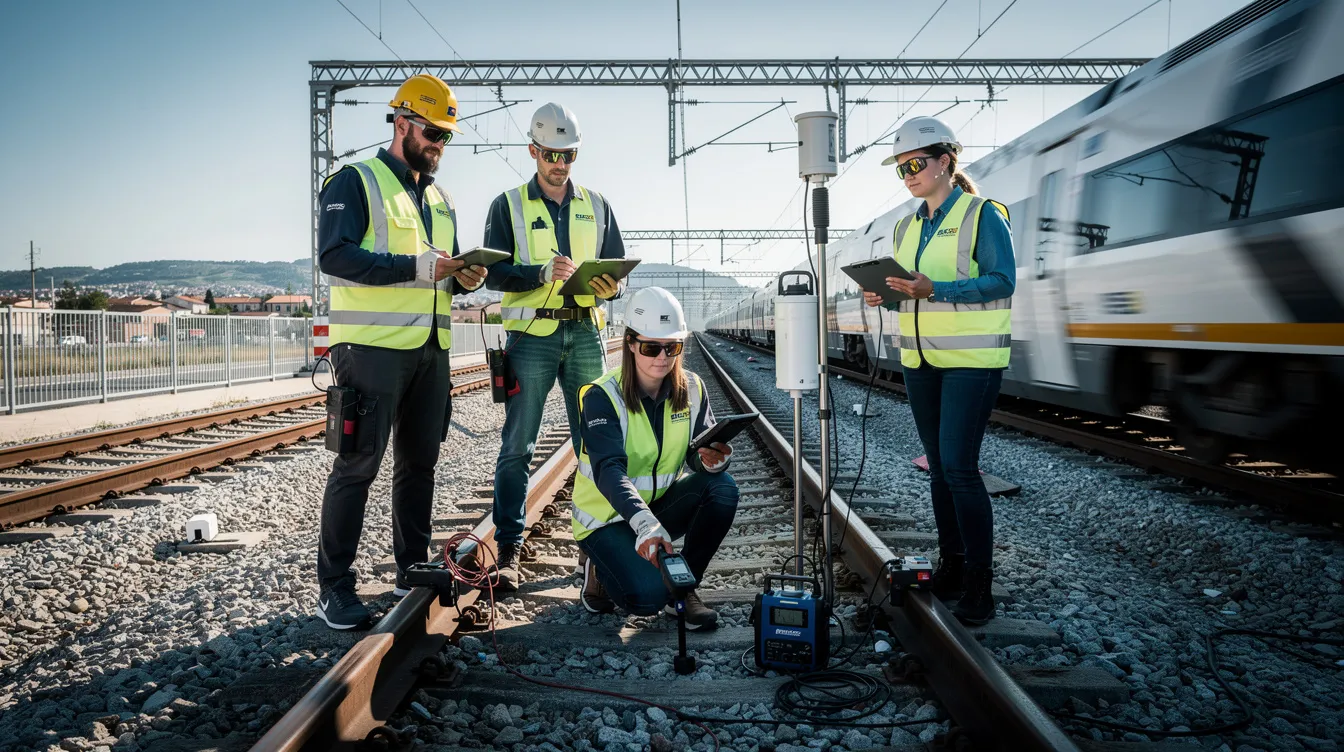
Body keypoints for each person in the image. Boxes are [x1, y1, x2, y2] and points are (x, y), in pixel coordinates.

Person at [313, 74, 488, 630]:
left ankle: (409, 566)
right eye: (434, 132)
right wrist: (420, 268)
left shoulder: (440, 198)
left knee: (420, 465)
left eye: (447, 137)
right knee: (357, 466)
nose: (440, 145)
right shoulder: (354, 181)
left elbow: (442, 272)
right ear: (402, 122)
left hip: (430, 349)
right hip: (370, 349)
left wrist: (465, 277)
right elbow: (334, 256)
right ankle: (335, 587)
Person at [861, 116, 1015, 625]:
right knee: (939, 471)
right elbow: (909, 290)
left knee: (961, 470)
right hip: (921, 363)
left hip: (971, 363)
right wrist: (883, 294)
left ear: (945, 161)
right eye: (899, 168)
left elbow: (1002, 280)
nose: (906, 174)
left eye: (914, 164)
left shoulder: (981, 214)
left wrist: (937, 291)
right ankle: (951, 566)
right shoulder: (906, 226)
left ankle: (979, 584)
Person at [482, 102, 627, 591]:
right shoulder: (507, 206)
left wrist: (612, 287)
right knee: (518, 445)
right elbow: (494, 273)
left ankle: (598, 548)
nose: (559, 163)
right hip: (531, 339)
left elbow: (616, 269)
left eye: (568, 154)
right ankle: (509, 548)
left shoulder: (599, 204)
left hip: (585, 332)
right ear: (532, 151)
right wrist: (538, 274)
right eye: (550, 154)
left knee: (598, 443)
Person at [571, 287, 739, 630]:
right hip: (607, 519)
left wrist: (711, 461)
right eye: (651, 347)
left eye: (672, 347)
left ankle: (685, 587)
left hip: (658, 508)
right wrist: (644, 525)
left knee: (722, 488)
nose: (662, 357)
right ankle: (597, 570)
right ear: (631, 343)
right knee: (645, 600)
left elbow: (695, 454)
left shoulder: (692, 388)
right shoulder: (602, 396)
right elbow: (608, 470)